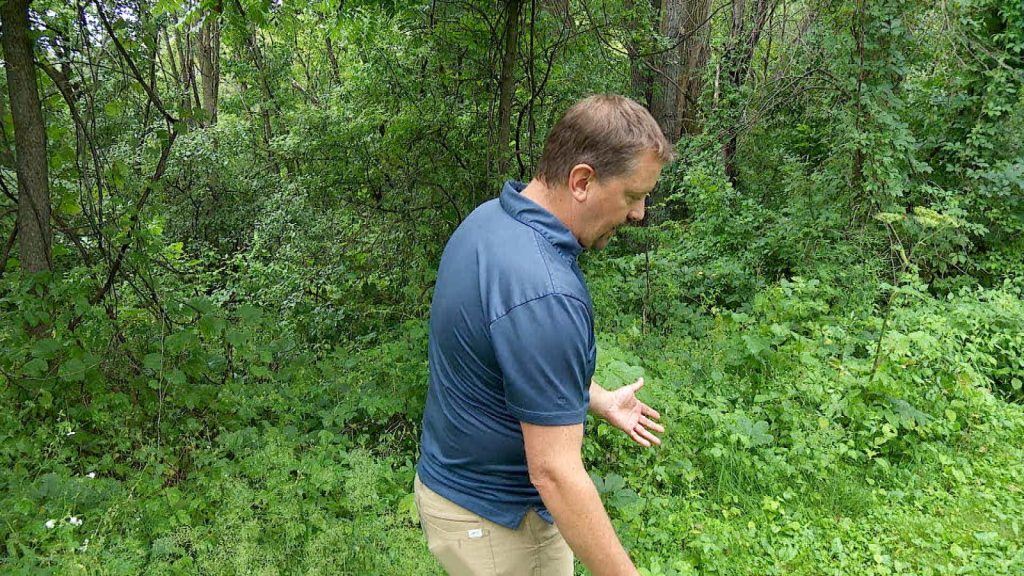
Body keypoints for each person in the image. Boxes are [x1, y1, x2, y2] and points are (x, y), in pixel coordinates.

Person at [415, 94, 674, 576]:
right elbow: (554, 473)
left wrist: (594, 397)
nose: (638, 214)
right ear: (582, 181)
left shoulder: (489, 221)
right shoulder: (546, 291)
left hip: (451, 492)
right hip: (499, 524)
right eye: (633, 196)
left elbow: (505, 361)